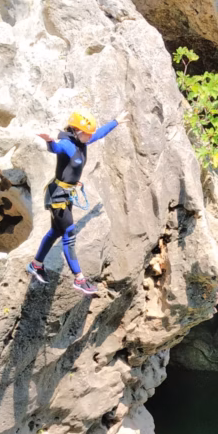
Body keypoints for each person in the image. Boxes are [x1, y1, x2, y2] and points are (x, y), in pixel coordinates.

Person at [27, 108, 128, 295]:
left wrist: (115, 121)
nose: (90, 137)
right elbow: (55, 149)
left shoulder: (83, 142)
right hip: (58, 196)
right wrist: (49, 140)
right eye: (87, 134)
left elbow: (98, 134)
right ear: (77, 131)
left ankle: (36, 265)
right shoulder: (66, 143)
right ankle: (79, 279)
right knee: (69, 233)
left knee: (56, 231)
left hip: (66, 194)